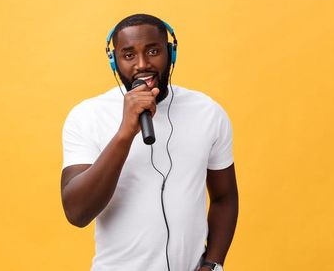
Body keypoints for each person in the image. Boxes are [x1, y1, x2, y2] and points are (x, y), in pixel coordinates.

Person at [60, 14, 239, 271]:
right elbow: (77, 213)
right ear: (114, 61)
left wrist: (213, 264)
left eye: (153, 50)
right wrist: (125, 132)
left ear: (171, 53)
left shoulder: (208, 112)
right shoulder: (87, 116)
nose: (142, 64)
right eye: (129, 55)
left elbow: (225, 197)